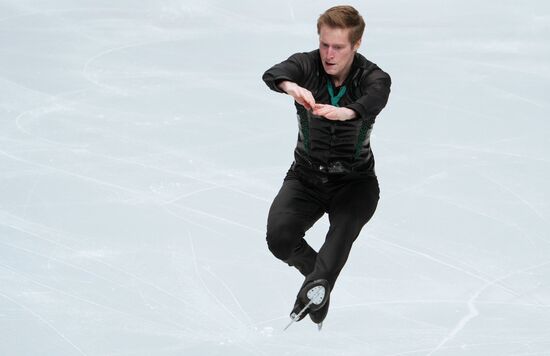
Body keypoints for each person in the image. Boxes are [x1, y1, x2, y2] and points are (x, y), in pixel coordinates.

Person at [262, 5, 391, 328]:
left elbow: (377, 96)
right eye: (324, 44)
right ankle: (319, 283)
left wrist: (347, 113)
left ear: (356, 45)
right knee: (280, 239)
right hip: (305, 177)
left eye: (338, 47)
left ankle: (318, 285)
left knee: (342, 232)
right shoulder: (306, 65)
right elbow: (273, 73)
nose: (329, 54)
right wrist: (291, 86)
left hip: (355, 182)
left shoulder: (373, 76)